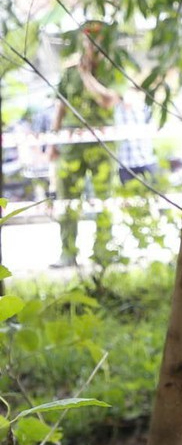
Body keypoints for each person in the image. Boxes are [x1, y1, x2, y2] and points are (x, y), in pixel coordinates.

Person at [52, 21, 123, 267]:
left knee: (104, 199)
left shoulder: (114, 69)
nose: (92, 43)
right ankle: (68, 253)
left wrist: (86, 76)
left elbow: (107, 100)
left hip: (102, 146)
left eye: (97, 38)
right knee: (67, 200)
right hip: (71, 146)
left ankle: (102, 253)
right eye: (87, 38)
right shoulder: (69, 72)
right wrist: (53, 141)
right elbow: (60, 107)